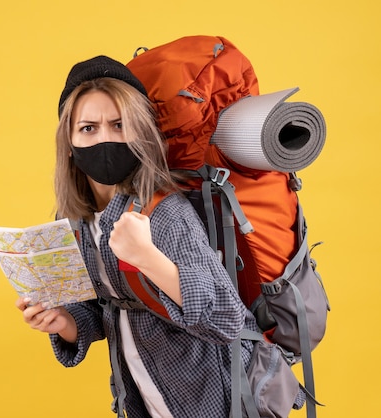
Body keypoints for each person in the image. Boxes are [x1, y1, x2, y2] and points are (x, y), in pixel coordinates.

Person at [15, 55, 258, 418]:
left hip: (211, 397)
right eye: (88, 128)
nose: (105, 138)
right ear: (68, 141)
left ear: (141, 133)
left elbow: (226, 318)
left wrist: (147, 256)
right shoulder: (75, 222)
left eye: (119, 125)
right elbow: (106, 309)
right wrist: (63, 322)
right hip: (145, 397)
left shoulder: (165, 213)